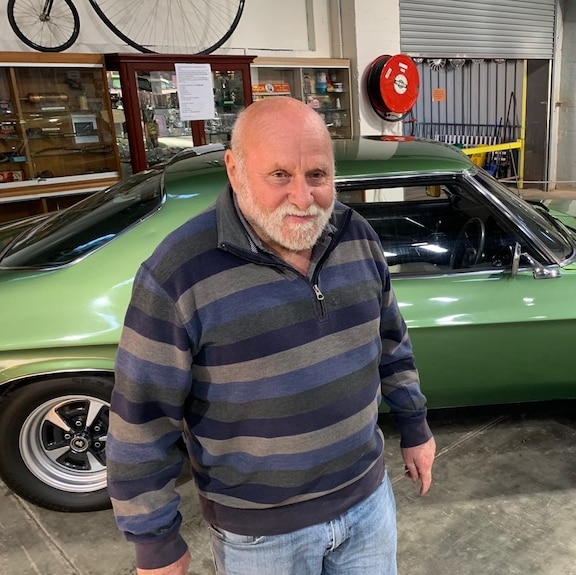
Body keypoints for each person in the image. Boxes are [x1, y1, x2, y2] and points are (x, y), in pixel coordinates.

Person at [107, 96, 436, 575]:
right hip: (260, 536)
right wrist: (156, 543)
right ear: (234, 170)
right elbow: (141, 419)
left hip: (368, 500)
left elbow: (391, 343)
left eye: (317, 175)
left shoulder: (356, 236)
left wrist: (416, 426)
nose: (303, 198)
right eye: (279, 175)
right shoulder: (178, 274)